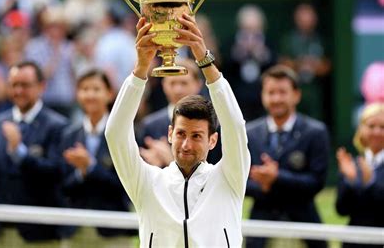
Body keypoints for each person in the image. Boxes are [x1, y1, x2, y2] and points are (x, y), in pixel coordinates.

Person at [105, 13, 250, 247]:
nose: (186, 144)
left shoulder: (229, 176)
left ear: (213, 141)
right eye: (181, 134)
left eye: (197, 136)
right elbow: (115, 133)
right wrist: (140, 69)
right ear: (170, 133)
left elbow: (235, 126)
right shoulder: (146, 180)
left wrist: (204, 59)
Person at [0, 61, 69, 248]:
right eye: (14, 85)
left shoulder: (57, 126)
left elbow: (56, 173)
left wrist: (20, 153)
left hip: (39, 234)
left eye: (25, 85)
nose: (19, 91)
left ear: (41, 86)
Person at [245, 64, 330, 248]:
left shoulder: (316, 132)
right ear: (262, 95)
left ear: (296, 95)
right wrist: (264, 186)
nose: (276, 98)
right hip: (260, 227)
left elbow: (317, 182)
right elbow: (240, 182)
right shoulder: (249, 133)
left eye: (282, 92)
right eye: (271, 92)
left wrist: (277, 178)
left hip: (305, 225)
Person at [61, 68, 135, 248]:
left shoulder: (124, 133)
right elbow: (62, 183)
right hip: (76, 229)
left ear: (109, 94)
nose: (90, 95)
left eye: (96, 89)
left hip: (113, 229)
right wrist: (81, 173)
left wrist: (91, 167)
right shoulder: (69, 135)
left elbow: (127, 183)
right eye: (85, 89)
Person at [137, 58, 222, 167]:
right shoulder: (149, 125)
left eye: (184, 83)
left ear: (198, 85)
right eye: (172, 83)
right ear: (163, 85)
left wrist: (170, 161)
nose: (178, 90)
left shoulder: (213, 123)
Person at [336, 103, 384, 248]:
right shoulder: (353, 165)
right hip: (354, 242)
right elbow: (341, 210)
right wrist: (350, 182)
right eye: (371, 126)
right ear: (361, 129)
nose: (377, 132)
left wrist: (371, 183)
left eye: (382, 127)